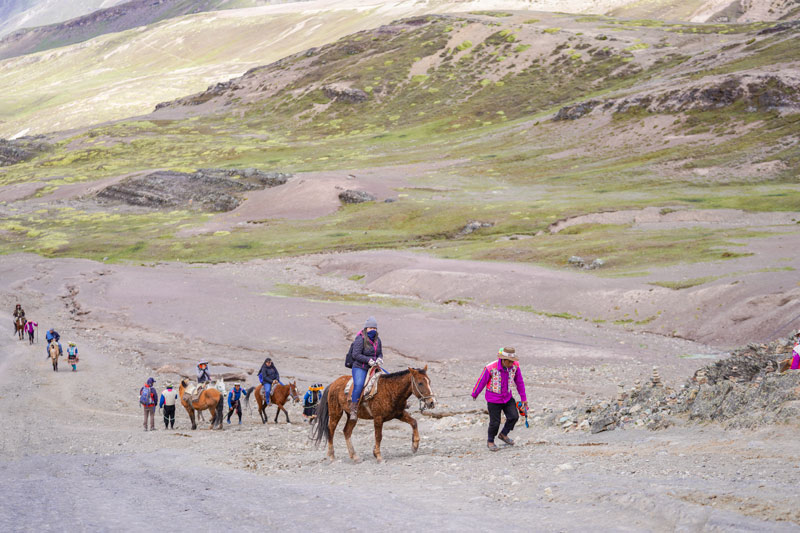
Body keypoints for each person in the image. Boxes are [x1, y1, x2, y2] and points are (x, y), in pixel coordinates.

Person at [471, 347, 528, 452]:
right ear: (503, 359)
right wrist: (475, 393)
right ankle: (490, 441)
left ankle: (503, 434)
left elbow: (519, 382)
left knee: (514, 416)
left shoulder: (515, 367)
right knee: (495, 422)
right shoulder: (490, 368)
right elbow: (482, 381)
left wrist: (523, 398)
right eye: (509, 361)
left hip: (507, 397)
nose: (511, 363)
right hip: (493, 399)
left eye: (513, 361)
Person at [348, 316, 383, 419]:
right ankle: (353, 409)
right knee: (358, 385)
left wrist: (380, 359)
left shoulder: (378, 340)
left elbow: (380, 353)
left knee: (388, 379)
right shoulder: (360, 339)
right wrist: (368, 360)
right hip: (360, 367)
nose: (373, 330)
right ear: (366, 329)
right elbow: (356, 354)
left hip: (374, 366)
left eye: (374, 328)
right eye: (371, 328)